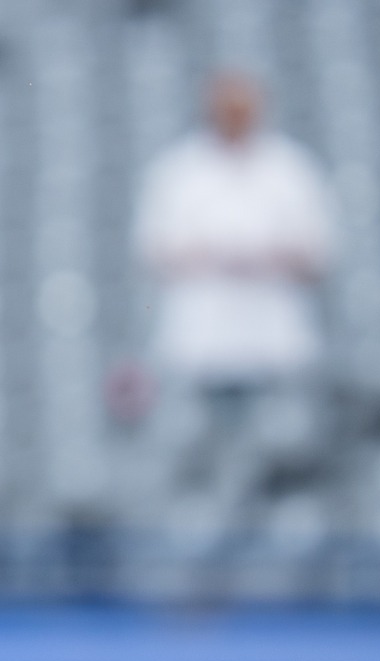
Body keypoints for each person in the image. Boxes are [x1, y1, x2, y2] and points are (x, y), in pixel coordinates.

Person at [134, 71, 335, 514]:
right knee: (197, 466)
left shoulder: (291, 169)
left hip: (275, 346)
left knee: (284, 466)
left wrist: (258, 257)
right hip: (202, 345)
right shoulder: (179, 171)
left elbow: (317, 254)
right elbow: (156, 250)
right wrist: (220, 255)